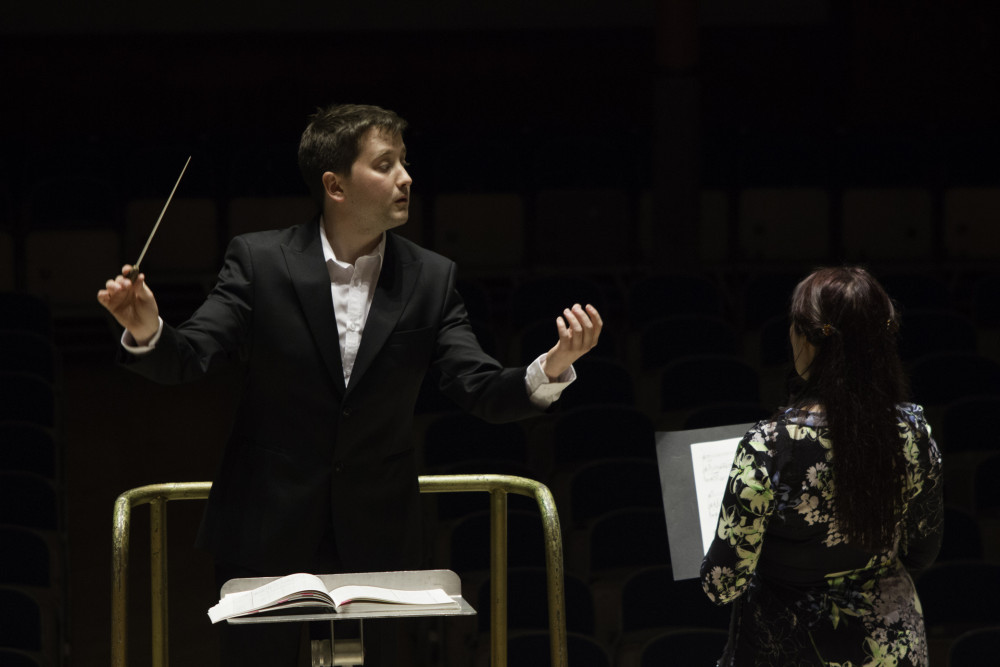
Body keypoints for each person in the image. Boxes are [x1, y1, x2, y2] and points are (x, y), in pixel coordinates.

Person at [97, 103, 602, 666]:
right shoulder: (261, 261)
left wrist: (552, 367)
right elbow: (189, 357)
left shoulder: (431, 277)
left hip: (377, 535)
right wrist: (146, 329)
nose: (406, 178)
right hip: (266, 530)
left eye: (404, 163)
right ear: (335, 185)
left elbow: (478, 386)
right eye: (385, 164)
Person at [700, 266, 943, 666]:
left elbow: (722, 584)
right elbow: (922, 551)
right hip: (888, 647)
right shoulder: (913, 433)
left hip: (789, 648)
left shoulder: (767, 446)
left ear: (808, 340)